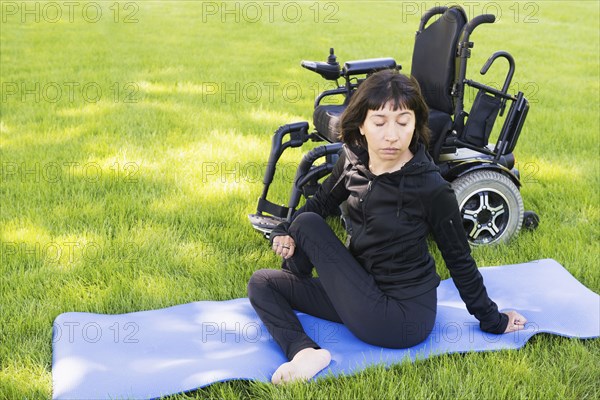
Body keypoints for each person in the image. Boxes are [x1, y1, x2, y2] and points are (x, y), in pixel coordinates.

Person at [247, 70, 526, 385]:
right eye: (379, 123)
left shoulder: (431, 187)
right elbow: (322, 202)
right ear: (362, 125)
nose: (391, 135)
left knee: (307, 224)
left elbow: (459, 259)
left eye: (403, 122)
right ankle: (304, 352)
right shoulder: (352, 159)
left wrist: (493, 319)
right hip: (357, 289)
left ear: (416, 125)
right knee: (263, 283)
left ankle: (301, 286)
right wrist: (284, 230)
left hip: (401, 317)